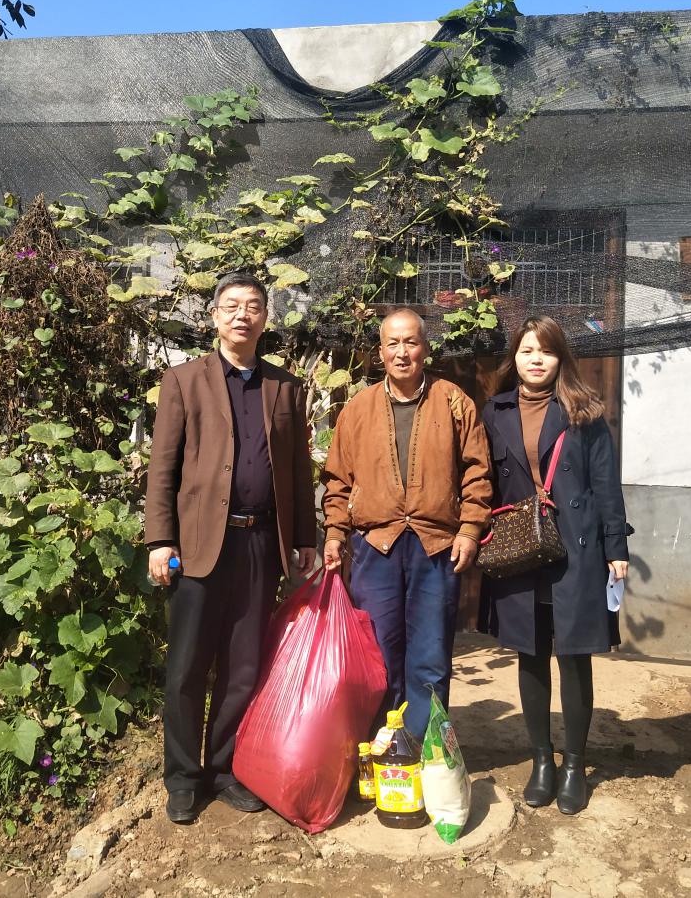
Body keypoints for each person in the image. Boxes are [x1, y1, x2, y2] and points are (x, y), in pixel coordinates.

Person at [145, 272, 318, 824]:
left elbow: (298, 470)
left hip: (260, 543)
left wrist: (304, 538)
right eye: (233, 306)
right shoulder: (183, 380)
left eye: (254, 306)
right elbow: (162, 468)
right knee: (187, 669)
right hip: (199, 546)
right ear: (215, 317)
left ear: (266, 317)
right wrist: (160, 539)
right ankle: (182, 778)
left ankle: (222, 770)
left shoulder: (285, 387)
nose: (243, 315)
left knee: (243, 668)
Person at [482, 315, 632, 815]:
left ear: (559, 358)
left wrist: (616, 548)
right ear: (515, 358)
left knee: (573, 656)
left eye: (545, 351)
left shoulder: (583, 412)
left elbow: (606, 485)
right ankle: (542, 760)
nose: (536, 359)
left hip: (576, 550)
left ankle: (574, 766)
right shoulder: (496, 410)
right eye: (527, 350)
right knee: (530, 654)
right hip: (522, 548)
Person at [321, 308, 492, 739]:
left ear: (425, 349)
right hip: (374, 545)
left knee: (430, 655)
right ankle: (381, 748)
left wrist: (470, 529)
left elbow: (477, 472)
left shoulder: (453, 401)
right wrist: (335, 532)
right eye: (393, 343)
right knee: (378, 652)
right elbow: (338, 479)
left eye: (411, 342)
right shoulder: (357, 408)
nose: (402, 353)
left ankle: (423, 748)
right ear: (380, 352)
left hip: (436, 545)